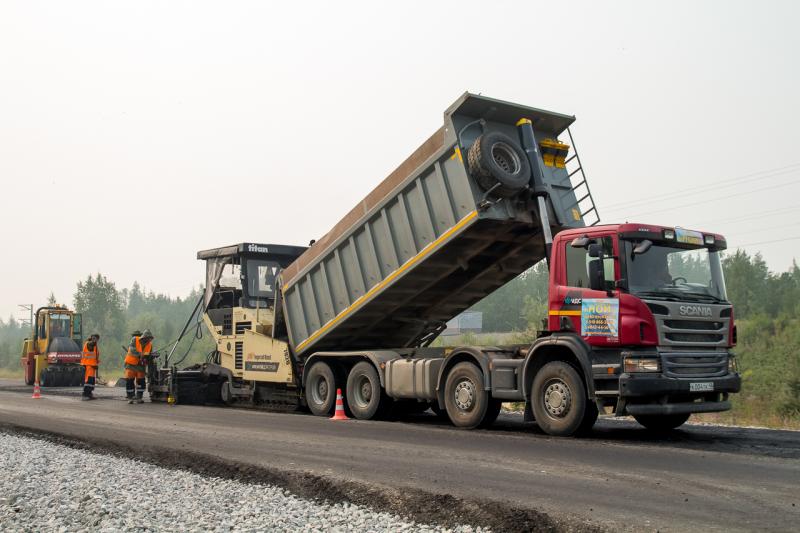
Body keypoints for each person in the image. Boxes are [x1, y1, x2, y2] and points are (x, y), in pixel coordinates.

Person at [124, 329, 153, 404]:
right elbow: (131, 349)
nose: (148, 340)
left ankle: (139, 397)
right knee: (129, 381)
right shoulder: (135, 340)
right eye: (147, 338)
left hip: (141, 366)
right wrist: (140, 354)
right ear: (144, 337)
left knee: (141, 381)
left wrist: (150, 357)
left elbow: (148, 355)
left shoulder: (150, 345)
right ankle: (130, 397)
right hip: (130, 364)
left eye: (150, 339)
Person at [80, 334, 100, 400]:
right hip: (89, 364)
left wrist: (96, 364)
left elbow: (95, 356)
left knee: (91, 381)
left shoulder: (93, 345)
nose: (96, 340)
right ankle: (85, 395)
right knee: (88, 380)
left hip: (92, 365)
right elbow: (91, 344)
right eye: (95, 339)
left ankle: (89, 394)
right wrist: (93, 340)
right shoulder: (89, 343)